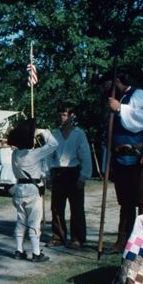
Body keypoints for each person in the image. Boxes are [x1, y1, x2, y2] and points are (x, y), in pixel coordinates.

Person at [100, 72, 143, 254]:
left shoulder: (139, 95)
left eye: (106, 84)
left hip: (137, 158)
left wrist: (120, 109)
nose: (104, 88)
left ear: (116, 81)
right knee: (125, 203)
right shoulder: (117, 100)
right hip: (119, 159)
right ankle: (123, 242)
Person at [7, 118, 59, 262]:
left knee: (21, 221)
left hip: (19, 189)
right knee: (34, 222)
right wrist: (43, 131)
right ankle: (36, 253)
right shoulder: (34, 154)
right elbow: (54, 144)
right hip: (32, 189)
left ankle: (19, 250)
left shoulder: (14, 155)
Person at [48, 103, 92, 248]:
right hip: (58, 173)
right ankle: (58, 236)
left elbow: (85, 156)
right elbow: (48, 156)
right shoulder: (54, 134)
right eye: (60, 114)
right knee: (56, 208)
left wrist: (83, 177)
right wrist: (47, 176)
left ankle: (77, 238)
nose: (61, 117)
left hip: (74, 173)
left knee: (77, 208)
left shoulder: (78, 134)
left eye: (65, 114)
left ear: (71, 116)